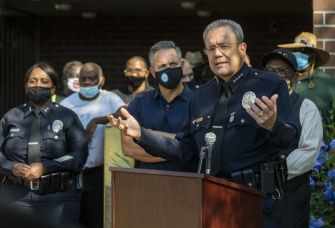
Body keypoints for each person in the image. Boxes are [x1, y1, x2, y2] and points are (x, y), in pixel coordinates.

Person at [109, 19, 299, 227]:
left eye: (224, 46)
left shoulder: (269, 85)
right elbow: (184, 149)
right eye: (211, 48)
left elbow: (291, 139)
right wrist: (141, 135)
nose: (217, 54)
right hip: (215, 204)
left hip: (260, 202)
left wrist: (273, 126)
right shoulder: (200, 97)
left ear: (242, 49)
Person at [0, 62, 88, 227]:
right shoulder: (11, 117)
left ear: (53, 88)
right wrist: (11, 166)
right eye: (32, 81)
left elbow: (79, 155)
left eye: (43, 81)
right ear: (26, 86)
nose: (37, 85)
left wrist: (46, 166)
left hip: (58, 198)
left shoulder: (67, 117)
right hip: (16, 198)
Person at [262, 48, 323, 228]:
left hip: (291, 194)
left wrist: (274, 173)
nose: (275, 75)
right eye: (269, 70)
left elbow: (309, 152)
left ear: (294, 76)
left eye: (281, 70)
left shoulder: (307, 107)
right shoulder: (254, 105)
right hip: (258, 193)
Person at [60, 62, 124, 228]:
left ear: (101, 79)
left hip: (98, 174)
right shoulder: (66, 104)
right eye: (84, 78)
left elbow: (125, 112)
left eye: (92, 78)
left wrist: (97, 120)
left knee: (97, 219)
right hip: (72, 174)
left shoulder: (109, 98)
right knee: (73, 219)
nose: (87, 82)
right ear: (78, 80)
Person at [122, 41, 197, 172]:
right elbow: (129, 148)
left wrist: (145, 135)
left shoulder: (199, 102)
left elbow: (196, 147)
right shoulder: (139, 102)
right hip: (147, 186)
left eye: (173, 64)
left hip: (187, 187)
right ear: (152, 71)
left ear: (182, 64)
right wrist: (178, 149)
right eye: (162, 66)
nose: (168, 69)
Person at [278, 32, 335, 141]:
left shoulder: (329, 84)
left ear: (313, 56)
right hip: (287, 151)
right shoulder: (281, 82)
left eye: (304, 51)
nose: (298, 54)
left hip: (321, 153)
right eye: (295, 50)